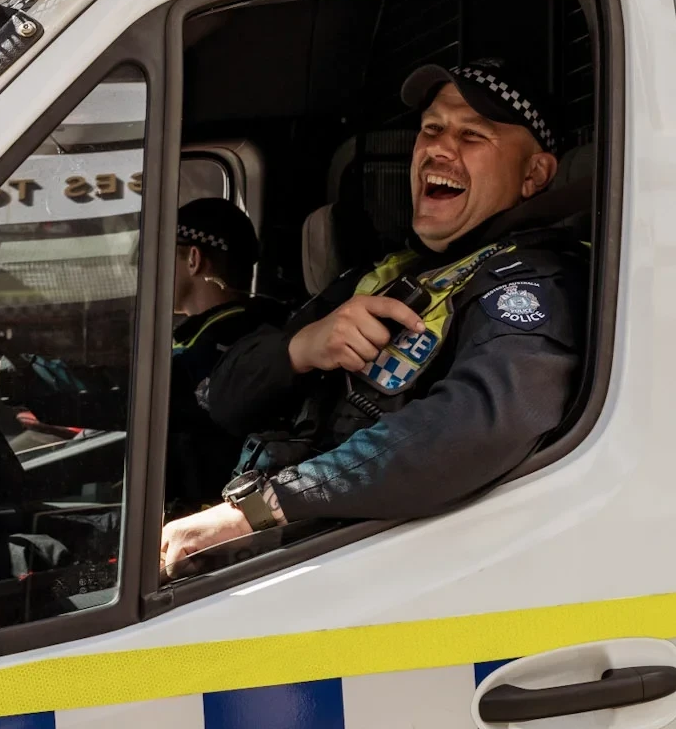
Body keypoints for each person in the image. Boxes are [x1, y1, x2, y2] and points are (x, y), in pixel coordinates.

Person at [160, 59, 586, 572]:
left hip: (358, 562)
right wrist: (302, 349)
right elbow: (224, 400)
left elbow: (472, 429)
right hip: (288, 543)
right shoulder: (382, 273)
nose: (439, 148)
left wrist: (261, 509)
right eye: (431, 129)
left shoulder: (532, 283)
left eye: (473, 136)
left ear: (534, 175)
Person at [165, 198, 285, 515]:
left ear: (193, 259)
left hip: (208, 515)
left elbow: (138, 396)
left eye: (163, 255)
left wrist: (39, 382)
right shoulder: (248, 327)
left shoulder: (222, 341)